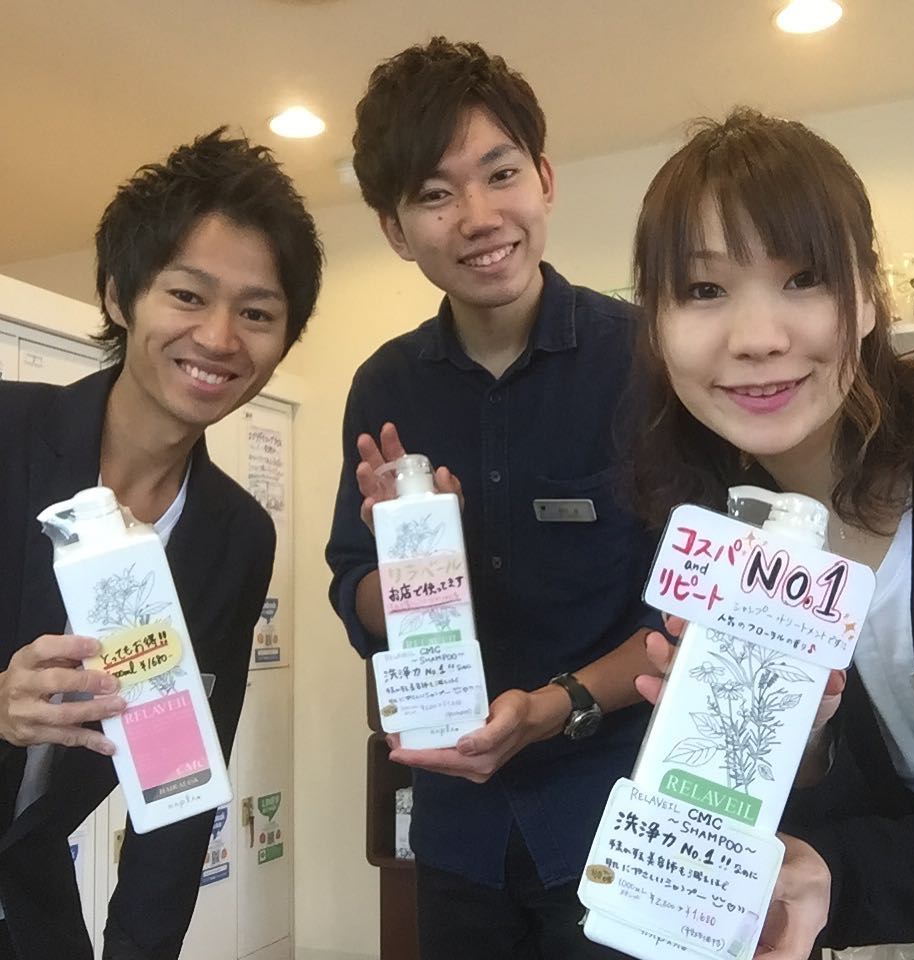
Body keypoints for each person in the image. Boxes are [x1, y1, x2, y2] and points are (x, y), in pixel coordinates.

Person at [326, 36, 660, 960]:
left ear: (544, 179)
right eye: (436, 194)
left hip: (617, 824)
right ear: (397, 231)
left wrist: (557, 704)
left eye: (500, 173)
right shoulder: (386, 386)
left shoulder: (645, 361)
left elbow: (684, 611)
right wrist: (409, 565)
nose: (478, 217)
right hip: (457, 832)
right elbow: (353, 589)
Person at [627, 107, 914, 960]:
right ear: (654, 323)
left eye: (804, 277)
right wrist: (797, 745)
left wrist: (843, 878)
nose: (758, 339)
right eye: (704, 291)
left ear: (870, 295)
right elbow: (847, 819)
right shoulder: (719, 535)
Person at [0, 128, 323, 960]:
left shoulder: (234, 535)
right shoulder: (8, 433)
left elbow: (180, 787)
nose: (219, 338)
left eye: (257, 314)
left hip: (27, 891)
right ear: (119, 296)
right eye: (187, 295)